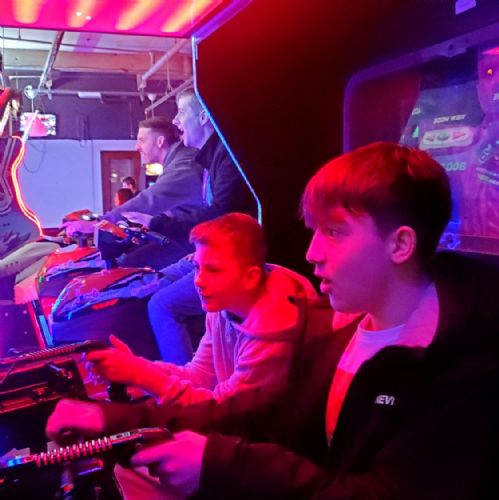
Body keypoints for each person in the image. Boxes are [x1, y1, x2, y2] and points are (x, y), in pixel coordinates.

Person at [47, 142, 499, 498]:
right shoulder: (334, 328)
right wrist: (117, 421)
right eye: (315, 231)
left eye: (335, 232)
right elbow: (260, 417)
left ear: (399, 245)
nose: (312, 253)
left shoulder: (465, 370)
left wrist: (222, 465)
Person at [84, 212, 317, 406]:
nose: (198, 281)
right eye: (197, 268)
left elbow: (220, 409)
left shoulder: (274, 334)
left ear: (250, 277)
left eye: (213, 270)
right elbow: (201, 375)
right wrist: (138, 367)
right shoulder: (222, 307)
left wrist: (140, 375)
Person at [126, 88, 258, 363]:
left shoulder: (222, 156)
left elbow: (221, 212)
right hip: (208, 250)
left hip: (233, 258)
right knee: (153, 281)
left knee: (161, 305)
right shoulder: (209, 156)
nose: (175, 121)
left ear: (204, 117)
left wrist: (156, 222)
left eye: (181, 112)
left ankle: (184, 382)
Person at [64, 117, 204, 269]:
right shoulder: (177, 162)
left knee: (132, 264)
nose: (137, 147)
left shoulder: (183, 165)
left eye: (142, 140)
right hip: (185, 232)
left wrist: (101, 223)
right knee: (131, 253)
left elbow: (150, 200)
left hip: (196, 238)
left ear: (160, 141)